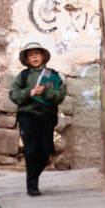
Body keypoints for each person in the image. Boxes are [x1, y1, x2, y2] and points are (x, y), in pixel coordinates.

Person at [9, 40, 66, 196]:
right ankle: (32, 185)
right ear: (27, 60)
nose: (34, 58)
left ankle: (33, 177)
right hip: (28, 117)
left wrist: (45, 92)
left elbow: (60, 96)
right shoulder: (23, 76)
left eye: (37, 54)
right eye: (30, 55)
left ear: (43, 56)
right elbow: (13, 94)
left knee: (45, 152)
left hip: (46, 118)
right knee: (31, 151)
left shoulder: (53, 75)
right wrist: (30, 92)